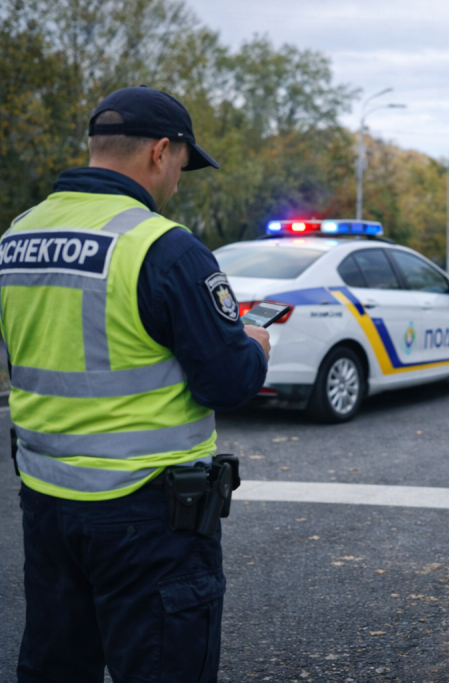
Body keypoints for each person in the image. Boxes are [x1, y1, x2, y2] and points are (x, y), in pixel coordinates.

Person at [2, 86, 270, 682]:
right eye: (181, 163)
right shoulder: (164, 247)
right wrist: (254, 343)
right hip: (150, 516)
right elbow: (228, 382)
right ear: (159, 151)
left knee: (55, 668)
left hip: (48, 506)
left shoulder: (17, 235)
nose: (178, 178)